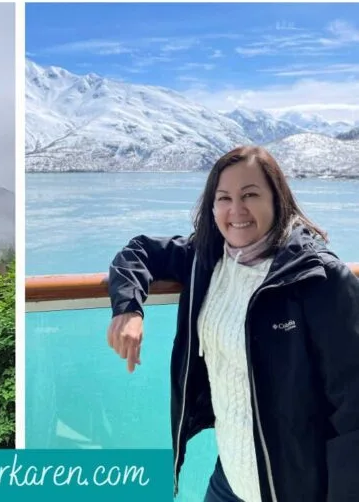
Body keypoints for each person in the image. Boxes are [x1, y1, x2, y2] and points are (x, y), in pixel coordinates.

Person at [106, 145, 359, 502]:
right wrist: (128, 309)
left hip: (290, 487)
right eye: (224, 198)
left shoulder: (318, 278)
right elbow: (138, 252)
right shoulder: (206, 259)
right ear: (212, 207)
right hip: (230, 479)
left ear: (277, 199)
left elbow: (353, 409)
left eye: (250, 194)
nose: (235, 210)